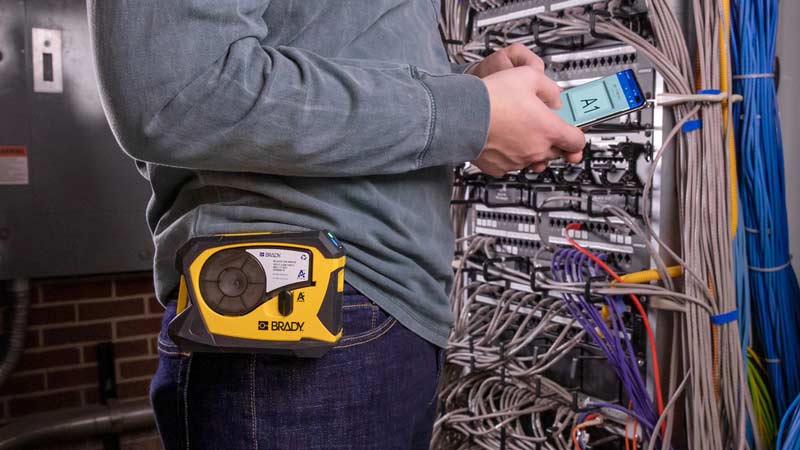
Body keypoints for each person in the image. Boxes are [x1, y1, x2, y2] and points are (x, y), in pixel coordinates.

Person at [88, 1, 585, 449]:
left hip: (387, 312)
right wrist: (465, 112)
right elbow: (177, 91)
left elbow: (331, 43)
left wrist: (467, 91)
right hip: (299, 310)